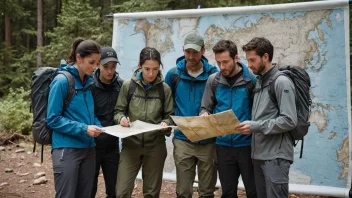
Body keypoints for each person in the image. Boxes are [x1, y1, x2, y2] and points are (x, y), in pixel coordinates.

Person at [237, 37, 297, 197]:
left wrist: (255, 126)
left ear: (265, 57)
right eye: (247, 60)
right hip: (259, 155)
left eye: (252, 60)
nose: (249, 65)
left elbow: (289, 120)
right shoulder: (258, 82)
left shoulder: (281, 82)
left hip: (276, 157)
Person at [47, 38, 104, 198]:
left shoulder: (89, 82)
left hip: (89, 149)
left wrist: (98, 126)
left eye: (97, 63)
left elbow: (90, 115)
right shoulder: (62, 81)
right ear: (79, 58)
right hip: (67, 149)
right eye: (91, 62)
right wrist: (84, 129)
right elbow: (53, 118)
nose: (95, 67)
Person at [114, 47, 174, 198]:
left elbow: (170, 116)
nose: (151, 73)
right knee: (121, 191)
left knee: (151, 193)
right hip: (130, 145)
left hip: (155, 146)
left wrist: (165, 124)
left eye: (155, 69)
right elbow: (118, 111)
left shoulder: (164, 89)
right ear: (140, 65)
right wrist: (121, 119)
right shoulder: (128, 86)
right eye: (147, 68)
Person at [200, 40, 257, 198]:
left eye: (225, 62)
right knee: (228, 192)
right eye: (218, 62)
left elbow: (258, 112)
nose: (222, 67)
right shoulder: (214, 81)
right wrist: (204, 114)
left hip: (247, 145)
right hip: (223, 146)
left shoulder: (251, 80)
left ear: (236, 58)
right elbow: (205, 107)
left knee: (253, 191)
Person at [165, 32, 218, 198]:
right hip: (183, 140)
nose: (191, 56)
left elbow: (219, 102)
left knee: (207, 191)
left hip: (208, 141)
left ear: (203, 51)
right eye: (188, 51)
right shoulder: (173, 74)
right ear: (183, 50)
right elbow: (167, 103)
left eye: (195, 52)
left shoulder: (214, 75)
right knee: (183, 191)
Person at [91, 47, 123, 198]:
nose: (110, 71)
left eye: (113, 67)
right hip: (92, 146)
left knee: (114, 190)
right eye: (106, 67)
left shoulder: (120, 86)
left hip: (112, 146)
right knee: (89, 188)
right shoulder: (89, 85)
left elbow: (123, 110)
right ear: (98, 65)